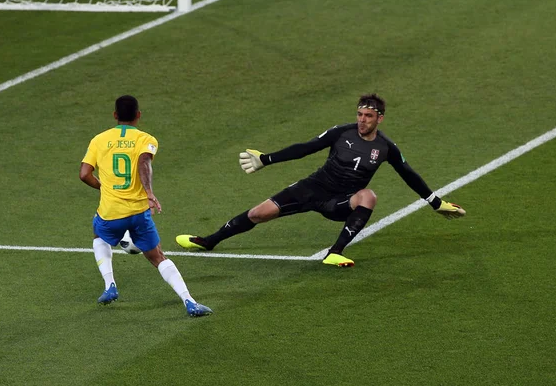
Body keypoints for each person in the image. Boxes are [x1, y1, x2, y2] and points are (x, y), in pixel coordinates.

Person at [176, 93, 465, 267]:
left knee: (369, 195)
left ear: (380, 118)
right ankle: (208, 241)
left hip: (339, 202)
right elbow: (305, 148)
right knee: (258, 213)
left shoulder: (387, 148)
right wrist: (267, 159)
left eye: (368, 116)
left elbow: (409, 175)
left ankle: (334, 252)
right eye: (359, 114)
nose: (362, 120)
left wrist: (436, 203)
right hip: (313, 187)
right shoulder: (341, 132)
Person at [80, 95, 212, 316]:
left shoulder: (99, 139)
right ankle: (190, 301)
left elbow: (84, 174)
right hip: (140, 211)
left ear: (114, 115)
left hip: (110, 212)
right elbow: (144, 162)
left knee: (99, 235)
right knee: (157, 256)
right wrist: (149, 192)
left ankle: (109, 285)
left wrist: (103, 188)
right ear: (138, 115)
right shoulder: (146, 139)